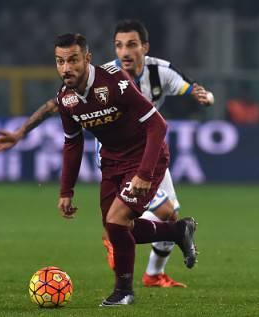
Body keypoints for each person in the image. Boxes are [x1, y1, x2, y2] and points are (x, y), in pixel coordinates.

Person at [0, 19, 213, 289]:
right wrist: (22, 131)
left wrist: (202, 94)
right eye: (118, 45)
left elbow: (188, 87)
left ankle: (153, 272)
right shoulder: (104, 75)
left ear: (145, 48)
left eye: (131, 45)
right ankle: (132, 247)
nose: (124, 52)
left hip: (148, 147)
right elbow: (56, 106)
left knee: (167, 213)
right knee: (149, 214)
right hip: (116, 153)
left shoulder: (160, 71)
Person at [55, 33, 198, 306]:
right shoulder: (65, 99)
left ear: (87, 59)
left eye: (73, 60)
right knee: (116, 229)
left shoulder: (115, 81)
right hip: (112, 162)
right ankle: (178, 231)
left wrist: (144, 174)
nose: (66, 68)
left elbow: (158, 125)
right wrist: (66, 190)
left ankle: (124, 292)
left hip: (145, 157)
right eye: (60, 62)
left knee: (117, 222)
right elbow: (72, 144)